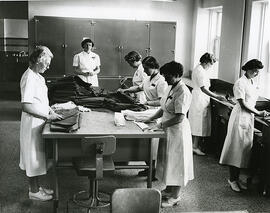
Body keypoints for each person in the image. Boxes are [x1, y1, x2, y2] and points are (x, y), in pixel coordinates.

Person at [141, 61, 194, 207]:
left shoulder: (183, 91)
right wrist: (150, 118)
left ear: (177, 75)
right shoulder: (171, 86)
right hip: (167, 129)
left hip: (178, 132)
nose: (165, 79)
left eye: (168, 76)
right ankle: (169, 189)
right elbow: (163, 107)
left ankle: (175, 196)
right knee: (168, 161)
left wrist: (160, 125)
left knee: (177, 163)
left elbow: (179, 117)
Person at [20, 46, 62, 201]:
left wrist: (50, 110)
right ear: (39, 60)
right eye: (47, 62)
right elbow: (26, 105)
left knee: (38, 156)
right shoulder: (29, 77)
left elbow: (41, 100)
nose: (49, 66)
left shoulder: (39, 76)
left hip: (40, 120)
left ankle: (37, 188)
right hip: (32, 122)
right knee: (32, 157)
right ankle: (33, 191)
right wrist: (47, 115)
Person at [219, 59, 268, 192]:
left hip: (248, 117)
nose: (256, 73)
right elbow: (242, 104)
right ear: (247, 69)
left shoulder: (251, 82)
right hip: (240, 117)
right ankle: (232, 179)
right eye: (254, 70)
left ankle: (236, 177)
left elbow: (251, 101)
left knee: (243, 151)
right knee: (235, 149)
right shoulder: (240, 82)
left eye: (258, 72)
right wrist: (258, 112)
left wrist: (257, 112)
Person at [118, 56, 168, 177]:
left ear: (154, 67)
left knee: (152, 143)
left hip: (156, 112)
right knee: (146, 142)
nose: (144, 71)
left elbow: (162, 102)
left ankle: (152, 170)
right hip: (147, 109)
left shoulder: (161, 81)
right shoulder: (148, 78)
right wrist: (126, 91)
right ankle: (149, 167)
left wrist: (146, 103)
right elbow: (139, 88)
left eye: (146, 68)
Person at [188, 53, 226, 155]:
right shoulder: (200, 71)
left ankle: (194, 145)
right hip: (199, 98)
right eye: (211, 64)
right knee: (198, 123)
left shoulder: (199, 69)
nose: (211, 66)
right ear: (206, 62)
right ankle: (195, 146)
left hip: (199, 98)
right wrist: (216, 96)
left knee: (197, 122)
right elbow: (203, 88)